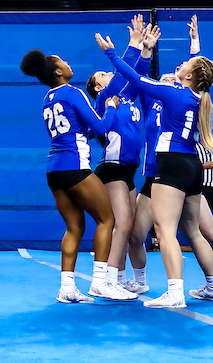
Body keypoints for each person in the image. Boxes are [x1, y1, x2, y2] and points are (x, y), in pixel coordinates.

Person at [98, 31, 213, 308]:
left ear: (188, 76)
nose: (178, 68)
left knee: (165, 230)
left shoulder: (174, 93)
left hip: (171, 165)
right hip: (188, 165)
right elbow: (197, 71)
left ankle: (176, 292)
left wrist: (112, 54)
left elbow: (135, 78)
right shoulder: (195, 96)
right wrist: (193, 48)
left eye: (183, 67)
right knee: (191, 230)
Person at [19, 47, 135, 303]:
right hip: (75, 166)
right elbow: (103, 126)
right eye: (65, 60)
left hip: (54, 170)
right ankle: (99, 282)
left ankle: (67, 287)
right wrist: (111, 106)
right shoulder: (73, 93)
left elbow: (80, 131)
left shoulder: (47, 99)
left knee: (74, 228)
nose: (70, 64)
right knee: (107, 219)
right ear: (59, 71)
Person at [85, 16, 154, 292]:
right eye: (102, 75)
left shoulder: (126, 98)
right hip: (112, 168)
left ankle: (124, 278)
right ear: (98, 87)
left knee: (131, 228)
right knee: (122, 223)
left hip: (128, 170)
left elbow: (137, 78)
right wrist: (132, 44)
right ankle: (107, 281)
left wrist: (145, 50)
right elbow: (123, 75)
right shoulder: (104, 100)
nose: (107, 73)